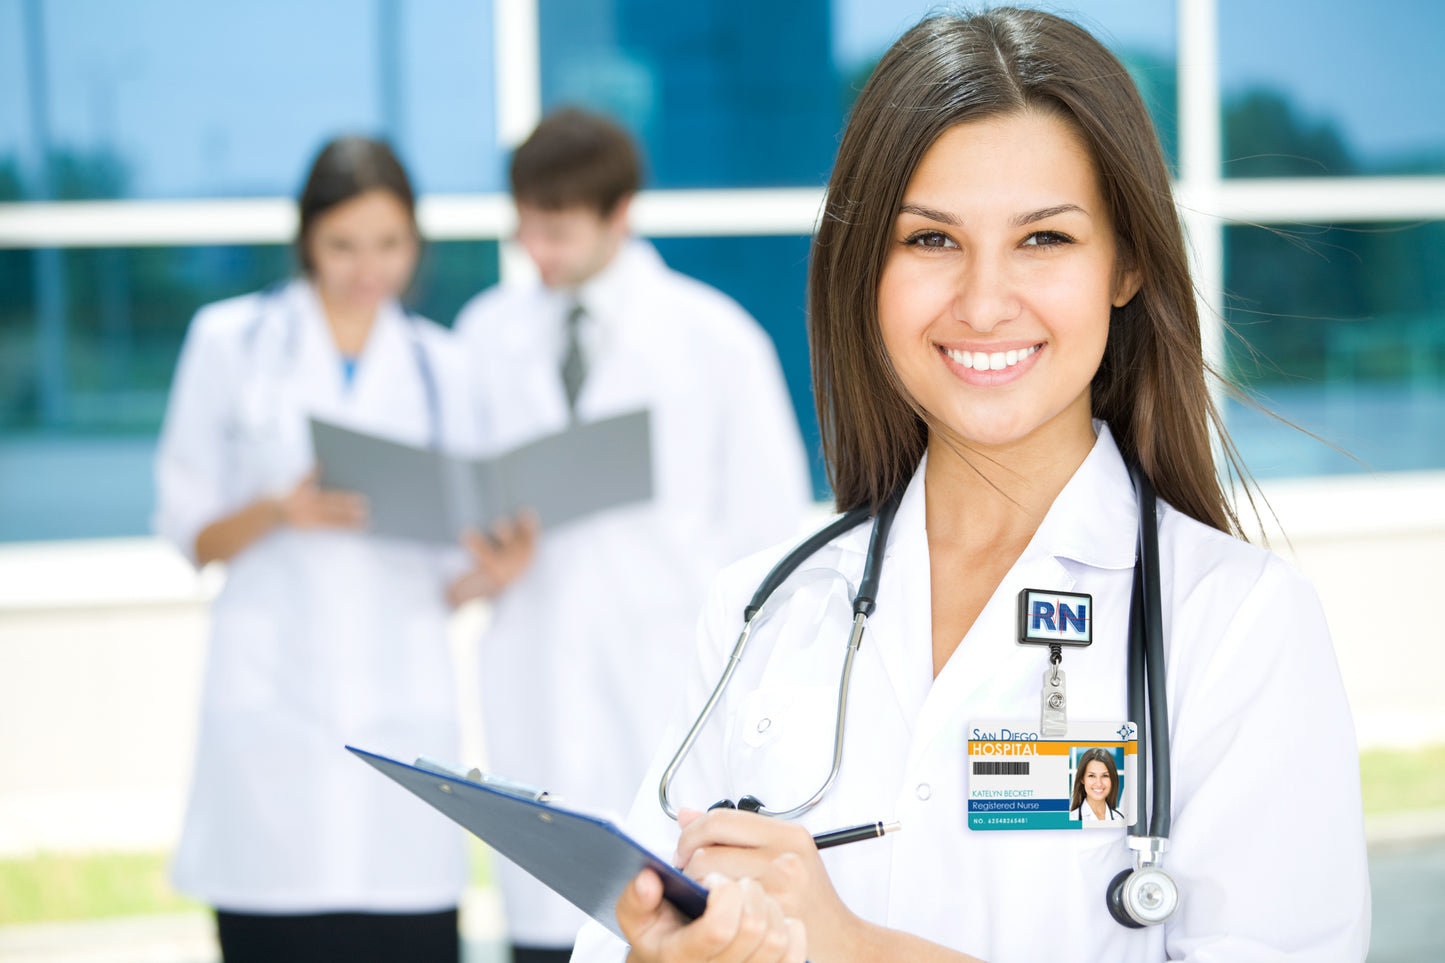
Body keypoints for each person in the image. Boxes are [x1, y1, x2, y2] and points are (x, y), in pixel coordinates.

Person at [569, 9, 1370, 962]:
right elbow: (626, 928)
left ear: (1126, 264)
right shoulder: (766, 610)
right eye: (930, 241)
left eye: (1043, 239)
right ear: (865, 271)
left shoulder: (1233, 625)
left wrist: (851, 946)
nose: (985, 302)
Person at [451, 107, 813, 963]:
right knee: (542, 934)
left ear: (619, 213)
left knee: (666, 921)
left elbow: (769, 541)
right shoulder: (483, 335)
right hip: (533, 672)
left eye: (560, 230)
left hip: (665, 685)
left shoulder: (713, 338)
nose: (537, 251)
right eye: (526, 228)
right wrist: (481, 561)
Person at [154, 137, 478, 962]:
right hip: (274, 717)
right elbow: (187, 529)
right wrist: (277, 509)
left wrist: (494, 568)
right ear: (306, 240)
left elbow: (449, 572)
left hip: (402, 712)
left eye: (389, 245)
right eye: (342, 245)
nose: (367, 268)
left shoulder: (443, 365)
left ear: (415, 244)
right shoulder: (230, 341)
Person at [1069, 748, 1125, 823]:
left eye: (1105, 776)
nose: (1099, 783)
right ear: (1082, 779)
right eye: (1092, 776)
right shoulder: (1071, 819)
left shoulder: (1120, 819)